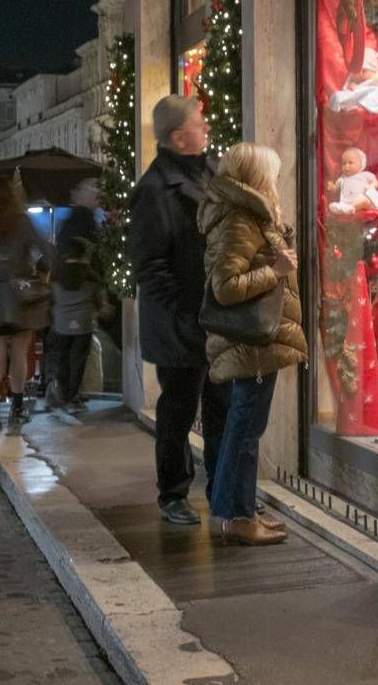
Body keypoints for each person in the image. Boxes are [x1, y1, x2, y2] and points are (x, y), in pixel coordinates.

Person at [198, 142, 307, 545]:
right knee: (244, 429)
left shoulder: (248, 215)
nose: (276, 180)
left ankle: (240, 509)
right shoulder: (240, 220)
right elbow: (225, 287)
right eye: (272, 173)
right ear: (256, 176)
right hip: (251, 343)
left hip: (255, 345)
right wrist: (275, 270)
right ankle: (236, 516)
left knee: (246, 428)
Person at [130, 95, 228, 526]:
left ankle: (224, 491)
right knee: (178, 412)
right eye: (198, 122)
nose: (206, 127)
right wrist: (185, 313)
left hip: (217, 317)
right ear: (177, 136)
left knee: (222, 406)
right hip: (180, 324)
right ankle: (173, 494)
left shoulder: (213, 173)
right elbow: (150, 266)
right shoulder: (153, 190)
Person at [0, 178, 51, 430]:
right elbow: (46, 250)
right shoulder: (22, 222)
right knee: (19, 353)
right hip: (19, 298)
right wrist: (41, 272)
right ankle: (16, 409)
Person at [47, 178, 104, 410]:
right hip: (82, 300)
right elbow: (97, 262)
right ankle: (72, 395)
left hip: (63, 300)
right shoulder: (89, 223)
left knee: (63, 350)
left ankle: (64, 392)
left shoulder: (67, 224)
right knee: (79, 352)